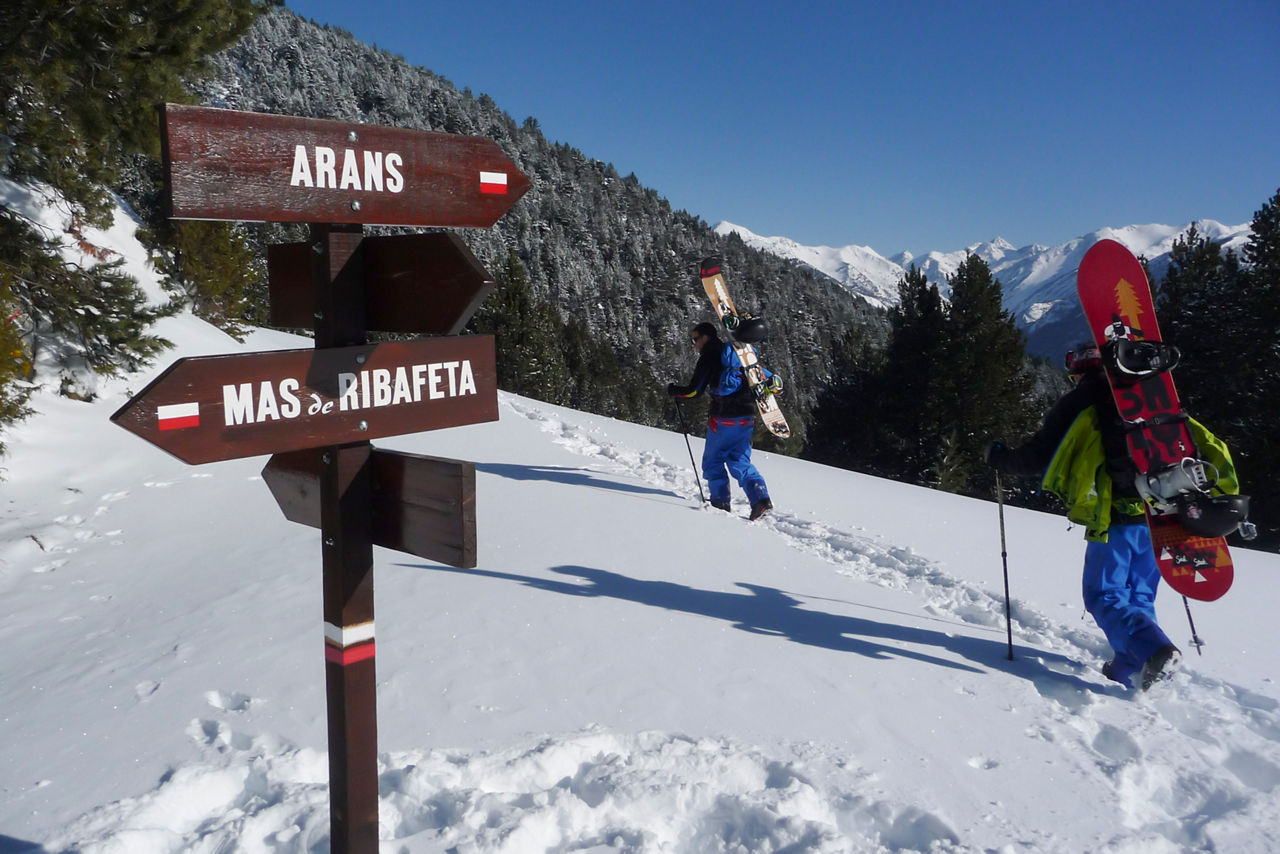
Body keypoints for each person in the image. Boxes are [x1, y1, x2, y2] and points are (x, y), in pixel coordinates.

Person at [986, 342, 1240, 692]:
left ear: (1080, 372)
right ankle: (1130, 669)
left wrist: (1000, 458)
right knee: (1138, 596)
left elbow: (1039, 456)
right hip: (1163, 516)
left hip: (1116, 516)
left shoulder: (1082, 400)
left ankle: (1153, 651)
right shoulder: (1150, 397)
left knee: (1103, 595)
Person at [668, 321, 778, 521]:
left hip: (722, 418)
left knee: (713, 461)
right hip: (747, 418)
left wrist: (674, 391)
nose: (694, 344)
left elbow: (694, 391)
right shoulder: (738, 353)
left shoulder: (710, 355)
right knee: (739, 460)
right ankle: (761, 499)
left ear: (706, 337)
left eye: (695, 339)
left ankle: (720, 504)